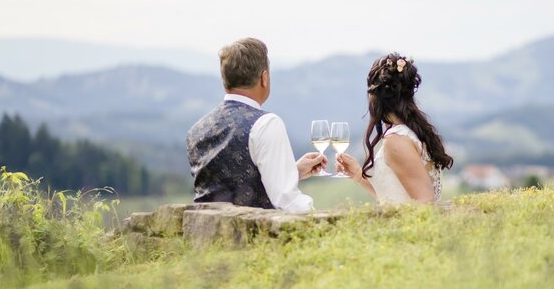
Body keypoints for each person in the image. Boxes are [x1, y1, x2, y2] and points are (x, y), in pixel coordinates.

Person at [186, 37, 325, 212]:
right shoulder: (266, 124)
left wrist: (291, 173)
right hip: (253, 236)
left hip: (204, 236)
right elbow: (288, 201)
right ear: (264, 78)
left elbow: (229, 183)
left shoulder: (196, 130)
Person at [336, 53, 454, 204]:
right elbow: (395, 197)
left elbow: (425, 201)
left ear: (375, 97)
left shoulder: (396, 140)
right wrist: (357, 175)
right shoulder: (410, 132)